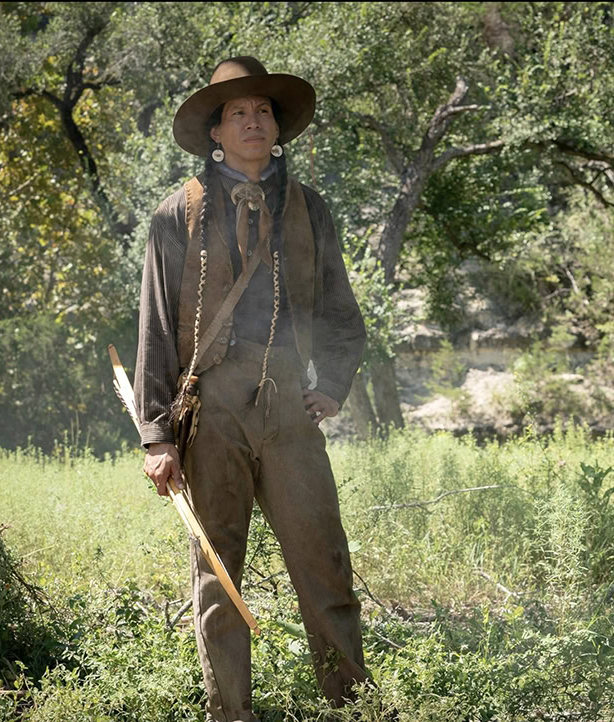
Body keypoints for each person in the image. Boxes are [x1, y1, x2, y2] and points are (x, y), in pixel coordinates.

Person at [134, 56, 370, 721]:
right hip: (210, 411)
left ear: (277, 126)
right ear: (215, 132)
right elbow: (155, 328)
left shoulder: (310, 208)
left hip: (290, 408)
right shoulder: (175, 214)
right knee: (219, 581)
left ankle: (351, 709)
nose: (253, 121)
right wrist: (157, 436)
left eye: (263, 110)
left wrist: (334, 385)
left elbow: (341, 313)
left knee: (326, 568)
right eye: (237, 112)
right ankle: (231, 714)